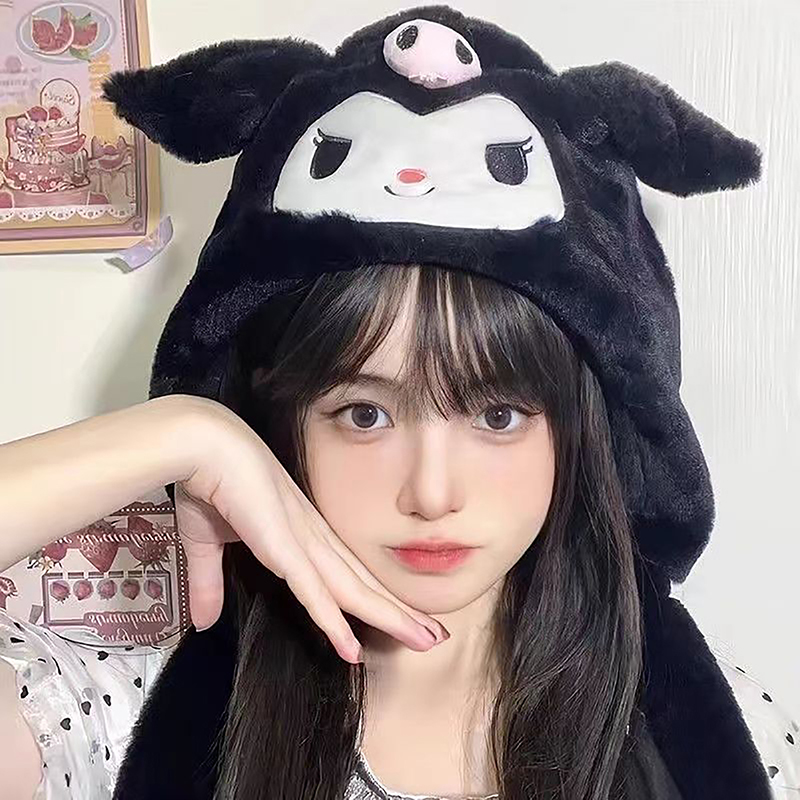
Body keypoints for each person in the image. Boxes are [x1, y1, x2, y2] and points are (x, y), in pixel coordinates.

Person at [2, 5, 798, 800]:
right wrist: (185, 432)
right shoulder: (126, 727)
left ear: (577, 429)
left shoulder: (729, 747)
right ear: (278, 427)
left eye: (497, 416)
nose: (432, 494)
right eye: (365, 415)